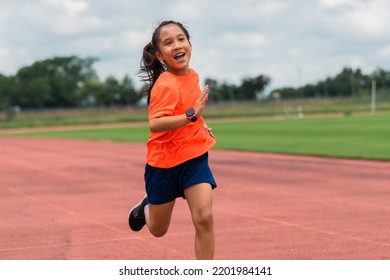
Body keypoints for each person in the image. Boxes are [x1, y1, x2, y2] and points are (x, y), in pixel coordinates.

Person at [128, 20, 217, 260]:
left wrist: (199, 121)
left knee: (204, 218)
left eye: (181, 39)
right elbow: (155, 123)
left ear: (189, 44)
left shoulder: (194, 75)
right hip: (163, 165)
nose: (177, 45)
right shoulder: (164, 85)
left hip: (193, 158)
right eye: (168, 43)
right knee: (158, 230)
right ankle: (145, 208)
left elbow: (190, 108)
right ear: (159, 55)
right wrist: (191, 116)